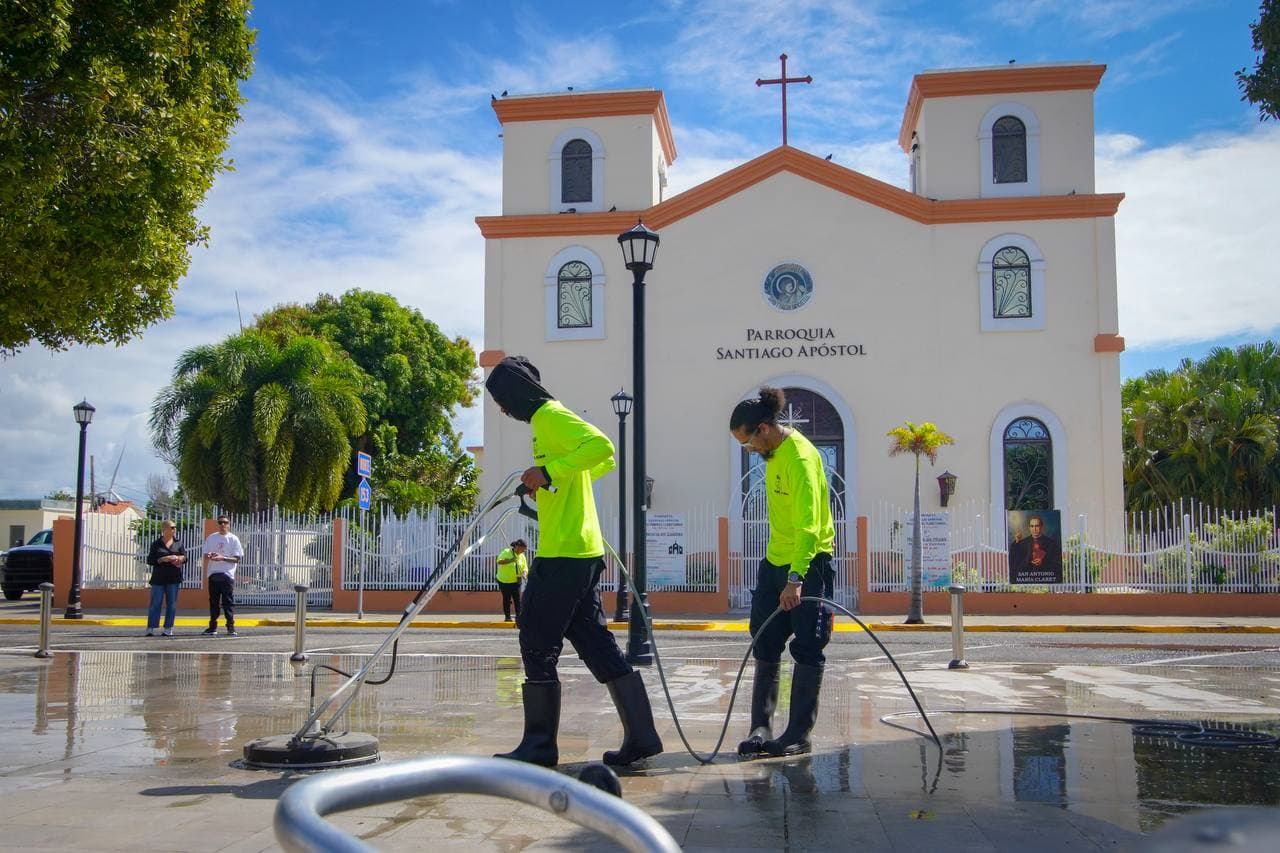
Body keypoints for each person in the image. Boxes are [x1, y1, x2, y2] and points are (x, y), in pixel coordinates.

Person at [485, 355, 663, 768]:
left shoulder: (549, 416)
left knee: (535, 639)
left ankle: (539, 746)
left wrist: (548, 472)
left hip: (564, 553)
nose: (503, 409)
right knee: (594, 643)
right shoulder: (549, 422)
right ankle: (642, 735)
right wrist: (554, 477)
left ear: (514, 391)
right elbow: (603, 463)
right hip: (582, 551)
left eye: (501, 400)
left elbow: (604, 447)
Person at [730, 387, 836, 758]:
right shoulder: (773, 455)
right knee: (765, 640)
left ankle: (798, 733)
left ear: (763, 429)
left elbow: (808, 527)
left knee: (808, 646)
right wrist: (780, 573)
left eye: (748, 443)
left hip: (809, 565)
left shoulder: (801, 459)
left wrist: (796, 579)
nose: (750, 451)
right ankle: (761, 726)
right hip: (774, 562)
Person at [202, 515, 243, 637]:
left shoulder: (234, 539)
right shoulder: (212, 538)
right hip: (214, 574)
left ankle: (230, 626)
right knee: (213, 602)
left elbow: (237, 559)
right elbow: (205, 554)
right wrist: (210, 555)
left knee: (228, 602)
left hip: (227, 575)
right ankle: (212, 627)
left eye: (225, 522)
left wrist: (223, 557)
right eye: (220, 522)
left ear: (229, 524)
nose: (223, 525)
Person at [144, 520, 186, 637]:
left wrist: (180, 558)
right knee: (155, 603)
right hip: (158, 578)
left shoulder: (178, 543)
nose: (174, 530)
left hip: (174, 578)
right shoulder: (156, 544)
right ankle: (150, 627)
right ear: (164, 529)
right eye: (172, 527)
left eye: (175, 528)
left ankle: (168, 628)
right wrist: (162, 559)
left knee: (171, 604)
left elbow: (185, 557)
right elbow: (150, 560)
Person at [1009, 513, 1062, 581]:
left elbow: (1056, 563)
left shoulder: (1051, 543)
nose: (1034, 529)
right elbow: (1015, 560)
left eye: (1037, 526)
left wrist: (1043, 562)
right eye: (1032, 526)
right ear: (1029, 528)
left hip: (1045, 577)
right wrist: (1016, 542)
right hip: (1027, 578)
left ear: (1041, 527)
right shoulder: (1023, 543)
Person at [496, 539, 529, 622]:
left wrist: (524, 573)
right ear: (517, 547)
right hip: (504, 581)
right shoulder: (506, 552)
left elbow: (525, 567)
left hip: (516, 580)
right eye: (523, 548)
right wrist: (510, 560)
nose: (524, 550)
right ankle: (507, 617)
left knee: (517, 599)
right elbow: (499, 561)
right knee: (506, 599)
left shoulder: (522, 556)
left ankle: (519, 617)